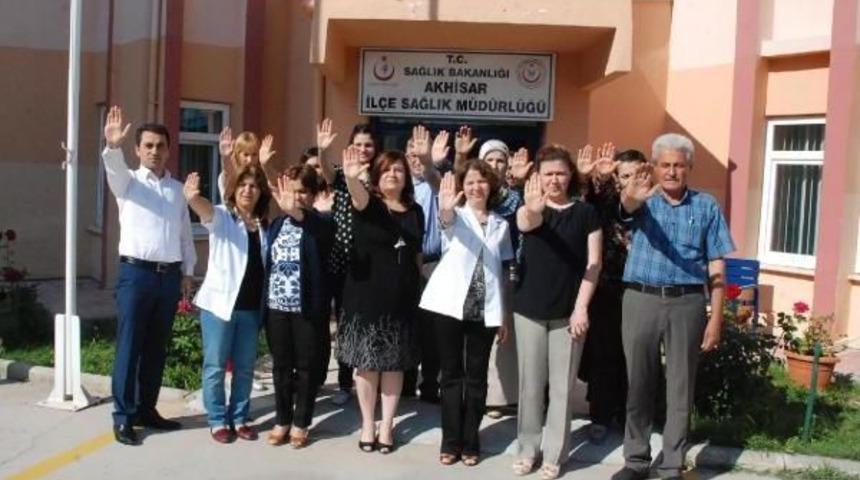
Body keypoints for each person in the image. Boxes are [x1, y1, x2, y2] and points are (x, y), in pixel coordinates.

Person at [612, 134, 734, 480]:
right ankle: (635, 461)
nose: (671, 171)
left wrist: (715, 319)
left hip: (687, 302)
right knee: (639, 382)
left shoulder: (706, 206)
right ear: (654, 167)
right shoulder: (642, 199)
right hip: (641, 299)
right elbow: (623, 212)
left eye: (678, 165)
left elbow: (717, 266)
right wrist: (631, 199)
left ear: (689, 168)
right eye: (664, 165)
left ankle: (671, 465)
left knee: (680, 386)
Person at [101, 106, 196, 445]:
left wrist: (187, 271)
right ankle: (124, 417)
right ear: (138, 150)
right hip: (136, 276)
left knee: (156, 348)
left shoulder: (176, 189)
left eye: (161, 146)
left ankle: (147, 409)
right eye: (148, 146)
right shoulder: (126, 183)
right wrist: (112, 146)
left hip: (168, 278)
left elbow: (184, 234)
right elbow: (112, 169)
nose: (155, 151)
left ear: (170, 150)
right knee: (129, 348)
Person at [511, 145, 602, 479]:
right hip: (529, 310)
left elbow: (594, 264)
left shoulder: (585, 213)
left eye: (561, 173)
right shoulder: (530, 209)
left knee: (562, 388)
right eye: (548, 173)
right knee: (530, 386)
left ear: (571, 176)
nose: (554, 179)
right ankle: (526, 450)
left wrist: (581, 308)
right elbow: (525, 223)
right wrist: (534, 208)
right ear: (538, 177)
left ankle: (554, 455)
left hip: (569, 312)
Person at [419, 161, 513, 466]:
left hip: (484, 310)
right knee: (451, 376)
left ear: (491, 186)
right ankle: (450, 441)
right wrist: (445, 208)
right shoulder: (455, 216)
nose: (476, 187)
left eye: (482, 181)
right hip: (450, 306)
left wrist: (504, 316)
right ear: (463, 186)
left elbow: (504, 269)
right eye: (470, 182)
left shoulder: (502, 225)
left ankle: (471, 441)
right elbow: (445, 221)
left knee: (476, 378)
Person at [337, 147, 424, 454]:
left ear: (406, 177)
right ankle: (366, 424)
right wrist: (350, 178)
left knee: (393, 365)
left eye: (398, 170)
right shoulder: (368, 203)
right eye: (386, 169)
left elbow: (416, 254)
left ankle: (386, 425)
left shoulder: (415, 210)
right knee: (367, 364)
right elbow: (357, 195)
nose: (392, 174)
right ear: (376, 174)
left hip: (402, 298)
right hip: (365, 295)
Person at [184, 165, 270, 444]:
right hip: (220, 306)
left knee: (245, 367)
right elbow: (204, 209)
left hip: (251, 308)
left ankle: (240, 417)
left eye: (254, 186)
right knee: (216, 365)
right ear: (234, 189)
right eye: (242, 185)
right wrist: (192, 198)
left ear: (260, 192)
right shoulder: (222, 216)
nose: (248, 190)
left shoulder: (264, 224)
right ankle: (218, 419)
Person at [576, 145, 648, 443]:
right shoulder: (605, 201)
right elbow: (587, 202)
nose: (630, 181)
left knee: (635, 356)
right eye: (624, 175)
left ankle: (629, 414)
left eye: (636, 174)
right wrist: (597, 179)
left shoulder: (654, 203)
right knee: (603, 354)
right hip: (607, 289)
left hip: (642, 290)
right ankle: (600, 416)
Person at [264, 165, 334, 448]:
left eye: (303, 191)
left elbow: (317, 230)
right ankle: (282, 419)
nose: (295, 197)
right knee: (281, 367)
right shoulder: (278, 224)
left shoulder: (322, 223)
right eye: (292, 191)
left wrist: (295, 210)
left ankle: (301, 422)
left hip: (306, 310)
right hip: (276, 308)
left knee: (306, 368)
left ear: (314, 194)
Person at [318, 121, 380, 406]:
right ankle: (344, 382)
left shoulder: (381, 176)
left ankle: (371, 380)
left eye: (368, 144)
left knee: (369, 323)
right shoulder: (342, 175)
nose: (363, 150)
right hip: (341, 258)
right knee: (344, 324)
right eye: (358, 144)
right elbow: (327, 171)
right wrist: (322, 149)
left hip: (372, 261)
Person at [403, 125, 448, 403]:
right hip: (406, 263)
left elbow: (434, 178)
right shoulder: (399, 185)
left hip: (435, 264)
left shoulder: (438, 182)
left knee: (432, 329)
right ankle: (407, 381)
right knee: (407, 324)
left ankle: (430, 383)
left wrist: (432, 163)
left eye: (421, 153)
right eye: (412, 153)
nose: (416, 158)